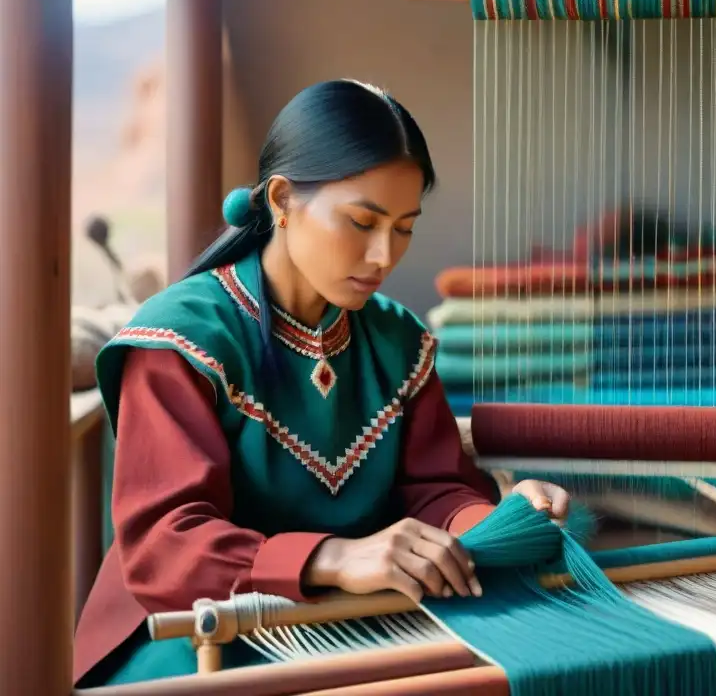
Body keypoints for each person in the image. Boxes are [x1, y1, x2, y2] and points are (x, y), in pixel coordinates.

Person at [73, 80, 570, 687]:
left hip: (357, 621)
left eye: (404, 227)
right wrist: (334, 557)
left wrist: (496, 524)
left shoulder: (397, 340)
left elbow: (436, 487)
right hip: (197, 629)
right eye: (362, 222)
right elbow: (166, 546)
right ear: (282, 199)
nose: (385, 255)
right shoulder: (182, 340)